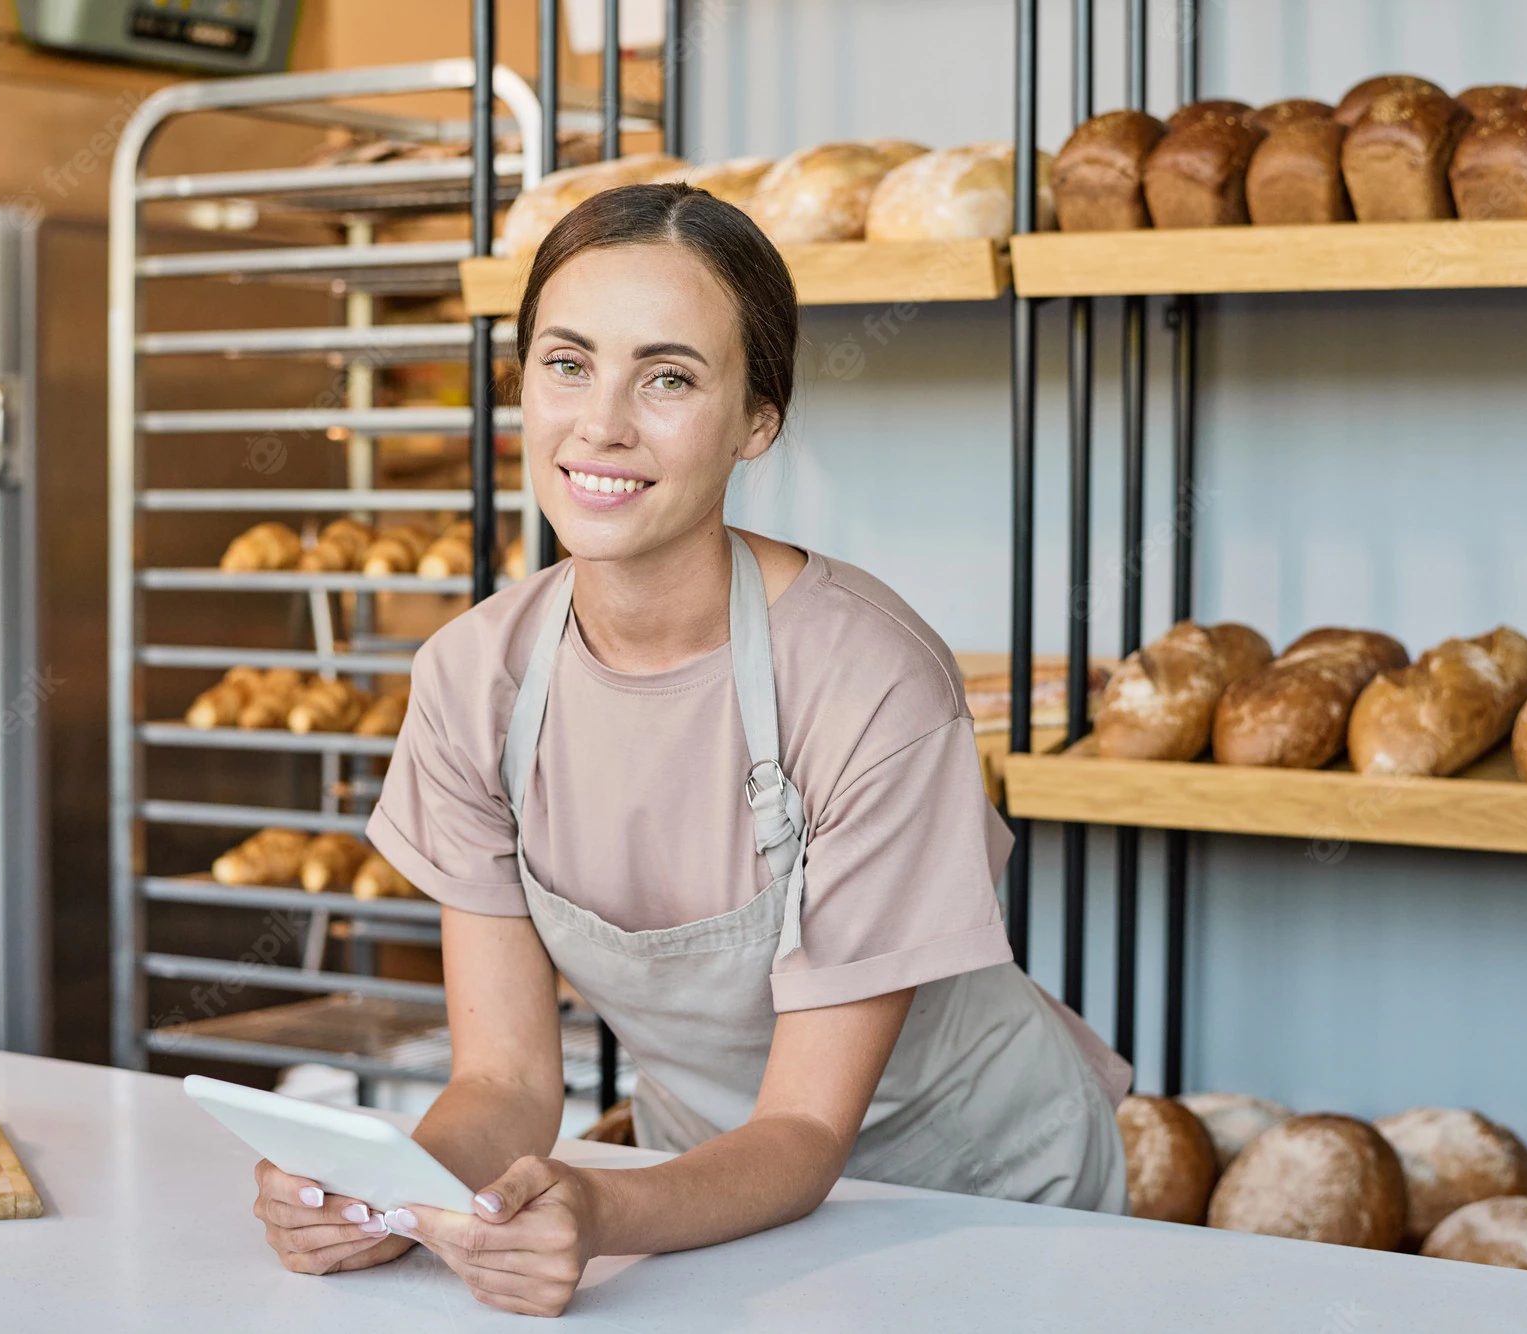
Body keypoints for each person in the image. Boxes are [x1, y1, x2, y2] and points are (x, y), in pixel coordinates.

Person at [250, 182, 1128, 1317]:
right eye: (567, 364)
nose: (602, 422)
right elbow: (504, 1079)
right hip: (708, 1198)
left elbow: (808, 1128)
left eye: (667, 376)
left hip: (984, 1194)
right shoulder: (475, 681)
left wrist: (602, 1209)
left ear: (755, 419)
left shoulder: (867, 680)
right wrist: (387, 1196)